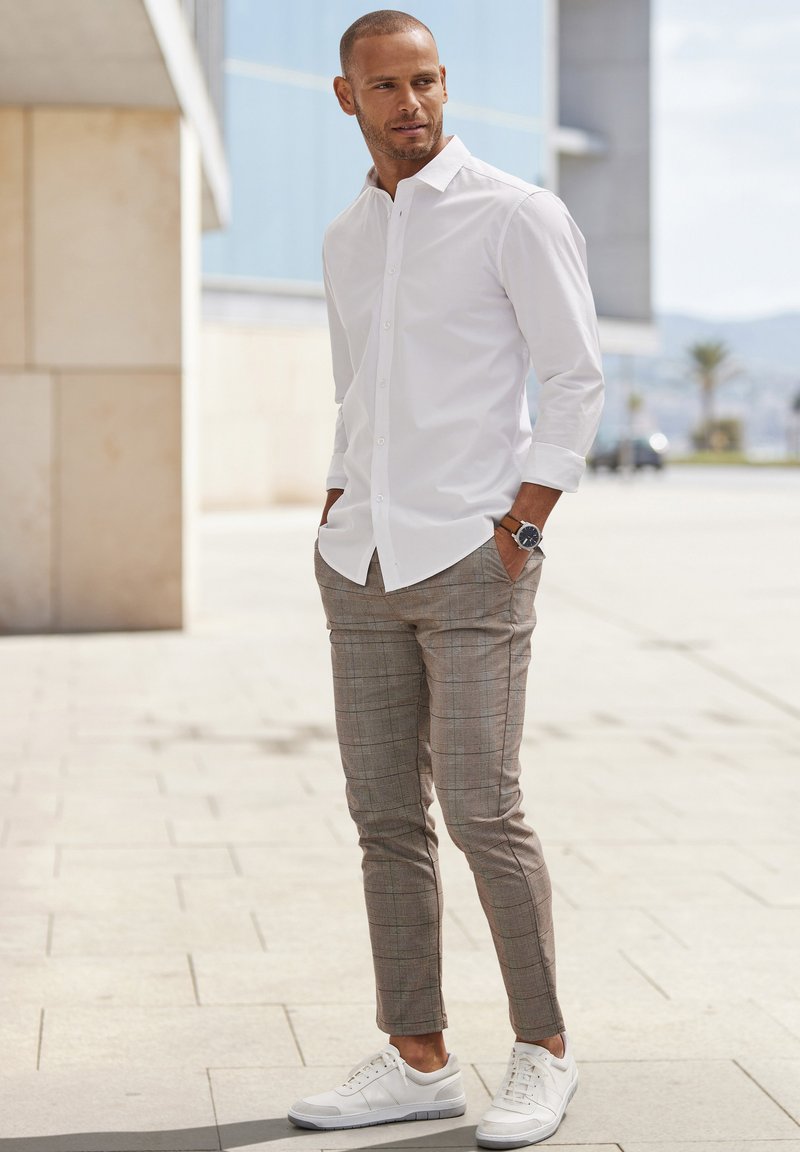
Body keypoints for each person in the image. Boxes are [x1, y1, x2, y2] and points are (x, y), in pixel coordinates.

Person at [288, 9, 603, 1148]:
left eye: (423, 81)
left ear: (444, 85)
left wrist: (522, 525)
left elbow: (574, 380)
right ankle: (418, 1056)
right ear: (346, 98)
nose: (409, 103)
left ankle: (542, 1050)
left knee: (482, 810)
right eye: (385, 86)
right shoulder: (344, 237)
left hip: (473, 559)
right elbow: (355, 393)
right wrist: (335, 503)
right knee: (384, 817)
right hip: (361, 560)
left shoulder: (516, 213)